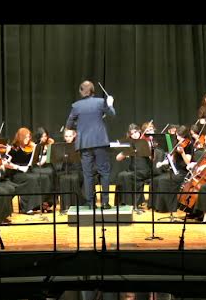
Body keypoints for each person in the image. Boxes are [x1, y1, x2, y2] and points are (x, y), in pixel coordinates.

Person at [65, 80, 115, 209]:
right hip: (99, 142)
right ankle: (104, 202)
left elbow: (69, 126)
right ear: (93, 91)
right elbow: (112, 114)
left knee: (88, 174)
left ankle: (90, 203)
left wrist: (82, 124)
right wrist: (110, 104)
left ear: (81, 91)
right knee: (104, 172)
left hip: (84, 144)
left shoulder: (76, 106)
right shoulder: (100, 102)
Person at [153, 125, 193, 213]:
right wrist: (162, 163)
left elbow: (188, 162)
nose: (178, 138)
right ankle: (155, 205)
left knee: (164, 181)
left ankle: (168, 207)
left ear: (185, 136)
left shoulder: (189, 145)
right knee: (157, 180)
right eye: (177, 135)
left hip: (183, 172)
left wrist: (182, 153)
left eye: (180, 136)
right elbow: (172, 158)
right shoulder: (177, 142)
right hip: (175, 170)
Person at [114, 123, 152, 208]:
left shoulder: (145, 142)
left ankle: (132, 203)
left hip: (143, 170)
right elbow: (118, 158)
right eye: (132, 134)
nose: (134, 135)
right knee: (121, 175)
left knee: (128, 176)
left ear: (139, 131)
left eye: (135, 132)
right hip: (132, 169)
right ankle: (123, 202)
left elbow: (152, 158)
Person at [56, 128, 85, 213]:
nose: (68, 138)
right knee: (63, 179)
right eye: (66, 136)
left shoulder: (79, 145)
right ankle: (65, 206)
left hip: (77, 170)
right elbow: (58, 161)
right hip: (66, 170)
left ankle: (76, 205)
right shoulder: (61, 147)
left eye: (70, 136)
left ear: (74, 135)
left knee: (74, 178)